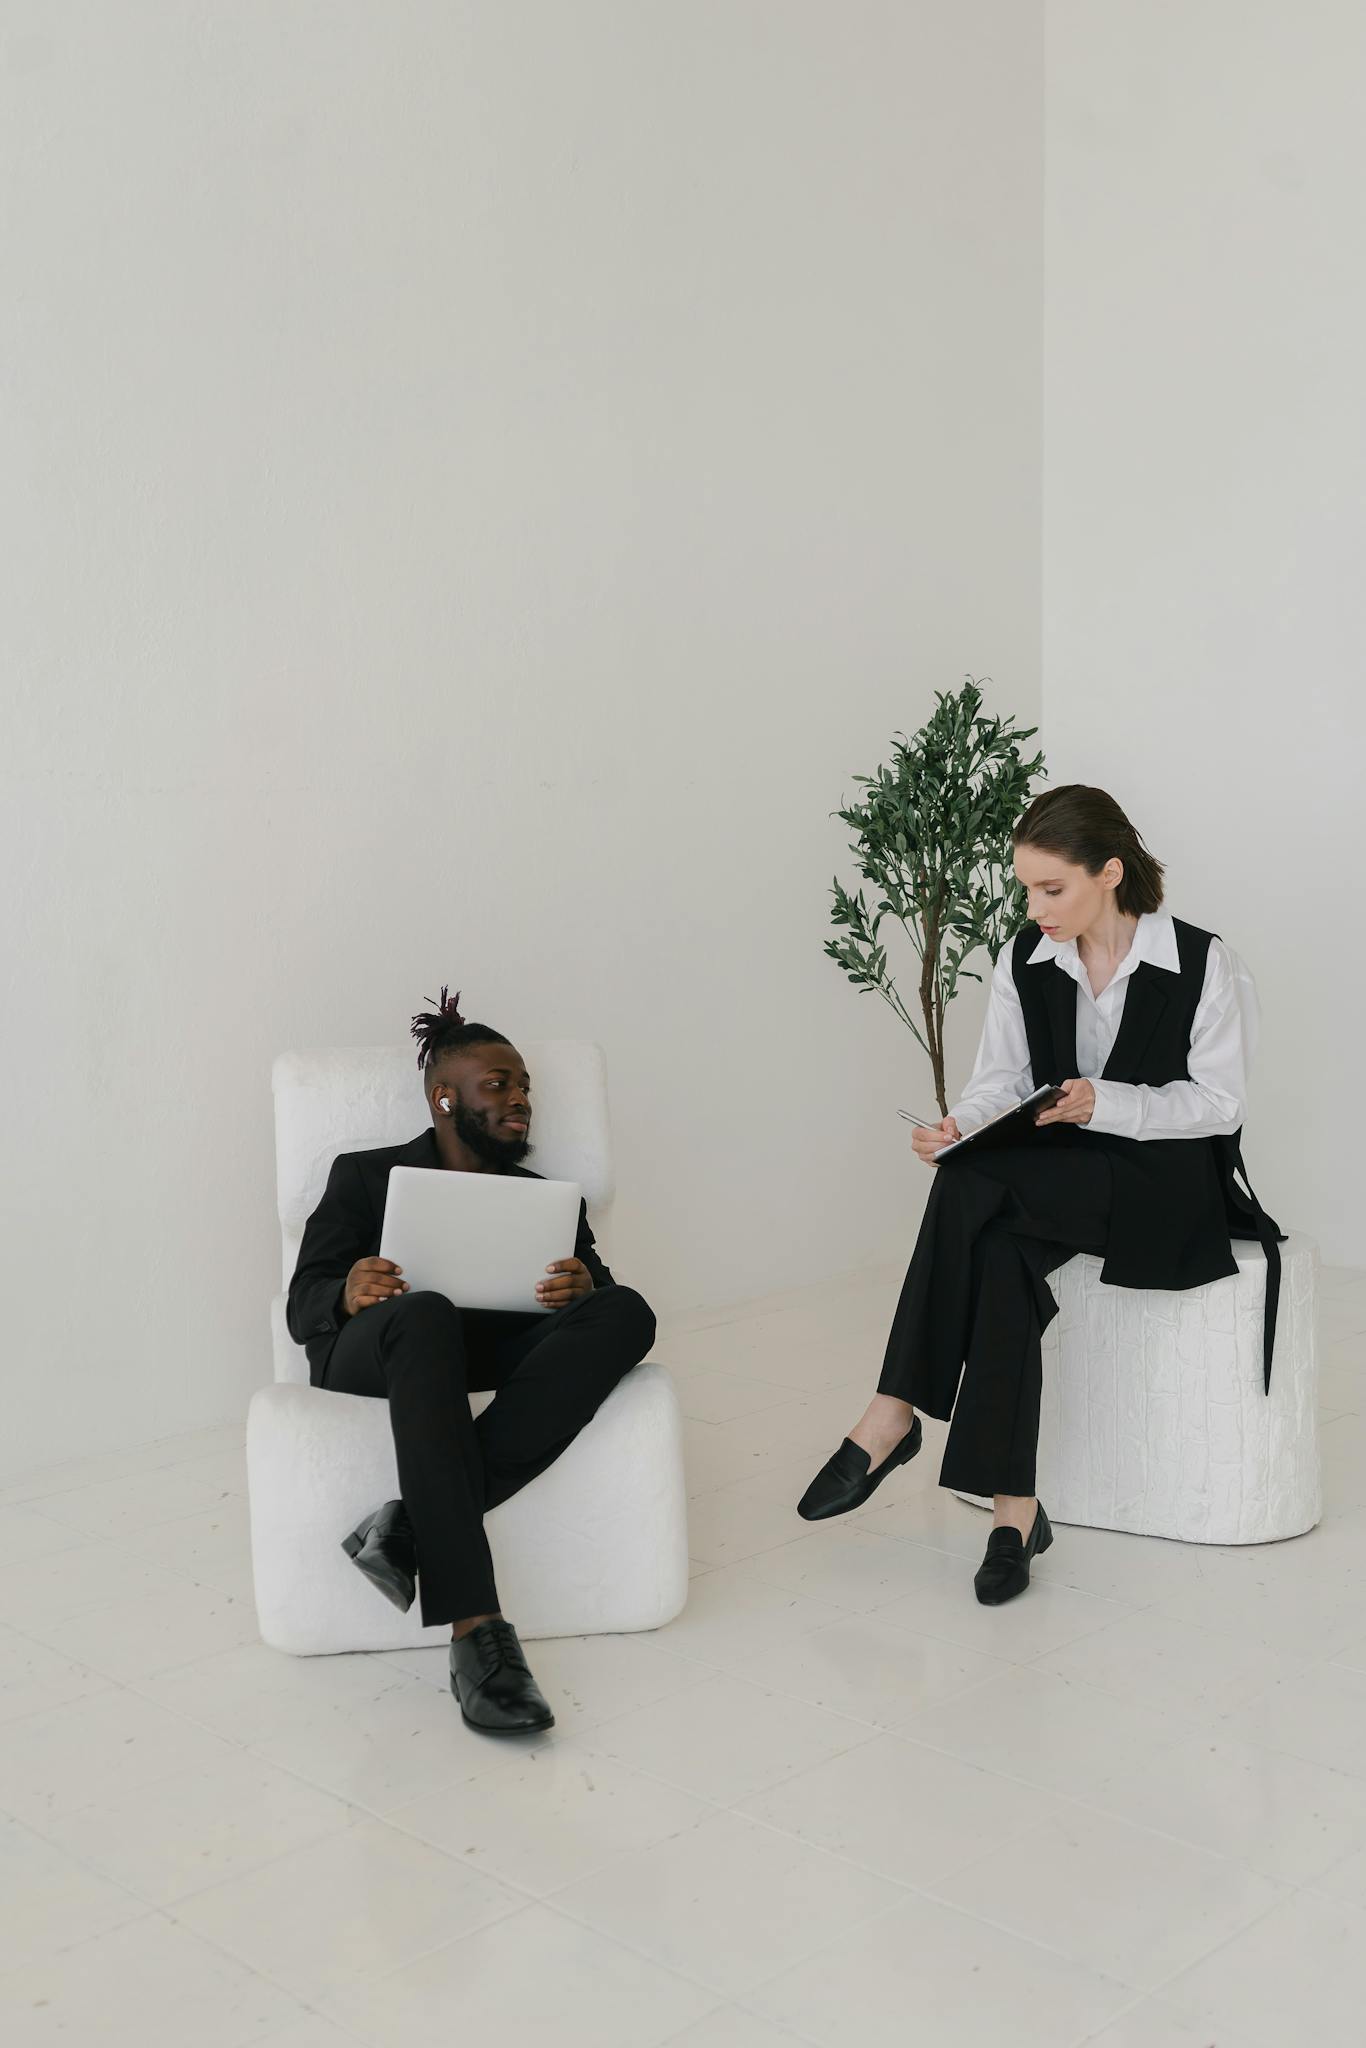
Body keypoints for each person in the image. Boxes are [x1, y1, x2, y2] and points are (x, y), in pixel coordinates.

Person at [797, 785, 1282, 1604]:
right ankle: (1014, 1514)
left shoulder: (1204, 962)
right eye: (1026, 887)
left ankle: (892, 1413)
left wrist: (1108, 1101)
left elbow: (1221, 1104)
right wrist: (961, 1126)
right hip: (1058, 1184)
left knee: (973, 1192)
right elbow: (1002, 1082)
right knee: (995, 1249)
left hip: (1164, 1189)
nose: (1035, 906)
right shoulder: (1027, 958)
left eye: (1052, 888)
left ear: (1111, 873)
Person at [286, 988, 656, 1733]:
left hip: (491, 1352)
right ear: (445, 1099)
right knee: (424, 1312)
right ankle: (477, 1635)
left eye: (525, 1086)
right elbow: (303, 1306)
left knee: (630, 1310)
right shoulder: (363, 1175)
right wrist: (350, 1290)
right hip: (383, 1351)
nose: (520, 1098)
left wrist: (586, 1288)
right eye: (500, 1085)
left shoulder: (551, 1198)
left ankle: (409, 1529)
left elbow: (601, 1310)